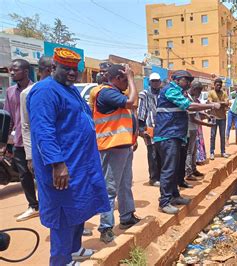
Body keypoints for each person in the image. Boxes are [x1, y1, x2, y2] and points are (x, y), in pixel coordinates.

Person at [27, 47, 109, 265]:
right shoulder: (45, 91)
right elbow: (43, 130)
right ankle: (60, 260)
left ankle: (75, 250)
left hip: (81, 163)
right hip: (63, 166)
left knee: (79, 208)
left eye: (75, 70)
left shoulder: (69, 88)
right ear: (54, 67)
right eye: (67, 69)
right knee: (63, 214)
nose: (73, 74)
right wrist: (57, 164)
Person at [154, 70, 220, 214]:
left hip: (175, 135)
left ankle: (174, 196)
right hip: (167, 135)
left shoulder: (178, 92)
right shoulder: (170, 90)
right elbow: (188, 106)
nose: (189, 83)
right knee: (169, 169)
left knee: (176, 167)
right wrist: (211, 106)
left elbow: (188, 110)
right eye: (186, 80)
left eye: (190, 81)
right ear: (175, 79)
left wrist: (204, 112)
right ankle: (164, 201)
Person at [93, 64, 140, 244]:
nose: (127, 83)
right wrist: (132, 78)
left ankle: (127, 216)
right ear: (118, 78)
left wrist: (132, 140)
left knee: (125, 184)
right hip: (111, 146)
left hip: (123, 146)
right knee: (110, 188)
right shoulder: (106, 92)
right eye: (125, 79)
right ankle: (105, 227)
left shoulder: (115, 93)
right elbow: (132, 102)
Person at [4, 58, 39, 222]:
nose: (12, 72)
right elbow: (8, 117)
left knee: (41, 175)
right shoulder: (10, 91)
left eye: (15, 69)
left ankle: (49, 206)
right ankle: (33, 206)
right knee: (24, 175)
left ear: (25, 71)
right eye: (11, 69)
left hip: (36, 141)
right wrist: (5, 142)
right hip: (18, 141)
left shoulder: (36, 90)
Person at [20, 56, 53, 174]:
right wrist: (30, 157)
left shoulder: (62, 90)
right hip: (40, 151)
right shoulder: (28, 93)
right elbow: (26, 125)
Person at [185, 81, 214, 182]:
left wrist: (206, 115)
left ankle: (193, 169)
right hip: (189, 128)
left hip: (194, 128)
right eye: (199, 91)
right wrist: (207, 124)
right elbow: (192, 118)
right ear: (194, 89)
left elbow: (197, 113)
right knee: (189, 151)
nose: (200, 93)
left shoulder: (194, 99)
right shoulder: (188, 99)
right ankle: (188, 172)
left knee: (193, 151)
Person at [138, 73, 162, 187]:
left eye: (157, 81)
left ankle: (161, 176)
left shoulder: (162, 94)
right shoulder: (144, 94)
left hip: (162, 127)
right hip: (149, 127)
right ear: (149, 82)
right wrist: (142, 129)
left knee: (161, 153)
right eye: (153, 81)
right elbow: (141, 112)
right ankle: (153, 178)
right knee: (152, 153)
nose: (155, 83)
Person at [208, 78, 229, 160]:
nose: (219, 86)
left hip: (223, 117)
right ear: (214, 85)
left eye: (220, 85)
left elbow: (227, 103)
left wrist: (217, 104)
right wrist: (221, 103)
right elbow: (209, 103)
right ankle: (212, 152)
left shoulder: (224, 93)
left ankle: (223, 151)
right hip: (213, 117)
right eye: (217, 85)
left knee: (222, 135)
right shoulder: (211, 93)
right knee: (212, 135)